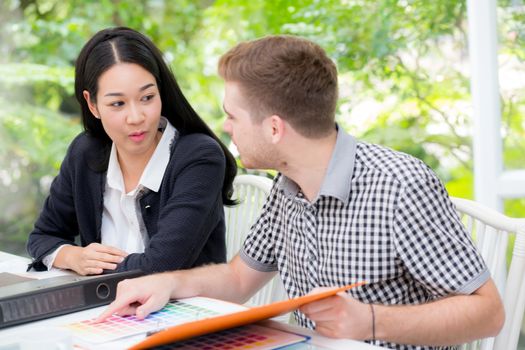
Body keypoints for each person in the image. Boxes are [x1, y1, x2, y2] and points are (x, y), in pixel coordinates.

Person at [97, 35, 504, 348]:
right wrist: (169, 284)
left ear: (274, 129)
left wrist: (369, 321)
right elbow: (239, 279)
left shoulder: (400, 186)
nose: (226, 127)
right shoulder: (287, 186)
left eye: (232, 115)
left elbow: (488, 313)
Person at [26, 27, 237, 275]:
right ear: (92, 105)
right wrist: (73, 256)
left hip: (184, 310)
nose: (136, 117)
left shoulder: (199, 157)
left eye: (147, 97)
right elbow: (43, 236)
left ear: (160, 91)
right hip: (107, 308)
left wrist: (94, 268)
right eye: (118, 103)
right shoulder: (85, 152)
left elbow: (161, 265)